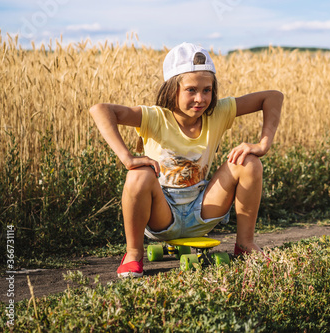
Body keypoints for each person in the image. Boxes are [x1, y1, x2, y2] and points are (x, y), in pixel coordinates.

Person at [89, 42, 283, 277]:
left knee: (249, 162)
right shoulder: (154, 117)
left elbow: (273, 97)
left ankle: (245, 245)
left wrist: (263, 144)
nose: (200, 98)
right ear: (172, 90)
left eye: (207, 90)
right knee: (138, 174)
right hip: (163, 214)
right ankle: (133, 253)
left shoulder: (218, 112)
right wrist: (127, 158)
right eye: (191, 90)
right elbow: (100, 110)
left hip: (203, 209)